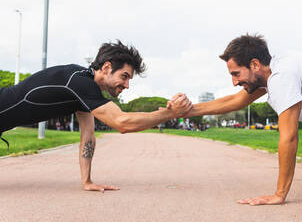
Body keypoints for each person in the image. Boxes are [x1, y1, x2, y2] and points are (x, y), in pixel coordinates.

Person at [167, 33, 302, 205]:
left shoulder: (281, 77)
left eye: (236, 74)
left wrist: (279, 194)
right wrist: (187, 110)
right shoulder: (276, 70)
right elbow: (235, 101)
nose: (234, 81)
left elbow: (289, 138)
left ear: (255, 64)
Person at [0, 40, 192, 192]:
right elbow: (122, 123)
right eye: (124, 76)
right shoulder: (80, 82)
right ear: (107, 67)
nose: (127, 85)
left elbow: (88, 136)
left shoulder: (84, 89)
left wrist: (87, 181)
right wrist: (170, 113)